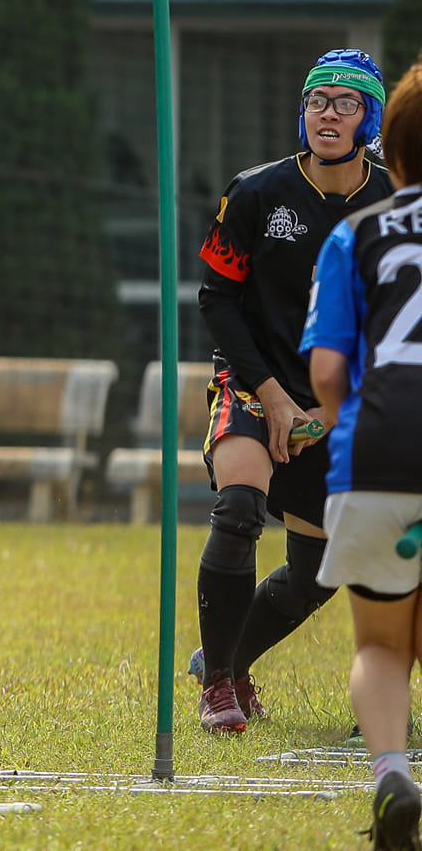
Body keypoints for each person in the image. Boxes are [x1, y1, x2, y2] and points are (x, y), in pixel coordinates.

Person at [190, 49, 392, 733]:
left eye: (345, 102)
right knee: (240, 508)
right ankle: (218, 687)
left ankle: (227, 658)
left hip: (341, 403)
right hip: (251, 384)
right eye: (316, 100)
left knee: (316, 574)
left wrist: (338, 406)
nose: (327, 112)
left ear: (370, 119)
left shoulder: (394, 205)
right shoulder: (255, 192)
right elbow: (216, 299)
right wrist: (272, 395)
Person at [301, 57, 422, 851]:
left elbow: (326, 371)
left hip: (378, 455)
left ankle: (389, 774)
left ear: (393, 147)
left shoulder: (356, 233)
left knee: (382, 642)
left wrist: (355, 434)